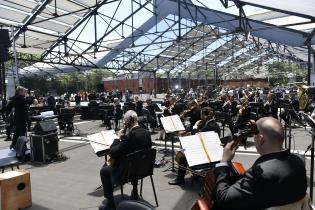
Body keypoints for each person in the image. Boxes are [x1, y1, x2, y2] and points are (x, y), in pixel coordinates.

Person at [214, 117, 307, 210]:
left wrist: (224, 162)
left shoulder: (258, 175)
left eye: (254, 137)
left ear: (261, 139)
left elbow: (223, 199)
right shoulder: (299, 160)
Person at [99, 110, 152, 210]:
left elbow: (113, 152)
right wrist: (125, 139)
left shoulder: (130, 136)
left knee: (104, 170)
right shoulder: (146, 133)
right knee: (136, 159)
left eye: (125, 121)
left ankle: (110, 204)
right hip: (143, 169)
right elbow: (148, 147)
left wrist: (118, 139)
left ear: (129, 121)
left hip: (128, 173)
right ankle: (135, 191)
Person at [168, 107, 220, 185]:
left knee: (182, 156)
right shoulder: (215, 125)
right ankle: (196, 175)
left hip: (207, 156)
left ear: (204, 116)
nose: (200, 117)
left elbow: (196, 138)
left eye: (201, 115)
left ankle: (180, 179)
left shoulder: (208, 127)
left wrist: (195, 126)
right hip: (214, 154)